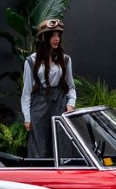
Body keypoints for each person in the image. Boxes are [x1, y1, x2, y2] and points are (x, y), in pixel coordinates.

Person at [21, 19, 76, 158]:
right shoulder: (31, 61)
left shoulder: (65, 60)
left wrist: (70, 103)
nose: (57, 39)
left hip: (59, 105)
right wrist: (27, 118)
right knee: (39, 148)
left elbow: (71, 87)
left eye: (58, 35)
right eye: (52, 35)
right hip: (39, 106)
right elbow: (27, 92)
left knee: (61, 146)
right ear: (44, 37)